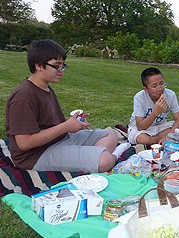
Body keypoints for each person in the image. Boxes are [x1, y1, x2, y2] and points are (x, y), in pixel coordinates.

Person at [6, 39, 130, 173]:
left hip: (59, 140)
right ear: (38, 66)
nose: (61, 70)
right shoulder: (24, 97)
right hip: (36, 155)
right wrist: (66, 126)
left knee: (110, 135)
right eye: (56, 66)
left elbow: (47, 122)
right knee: (104, 160)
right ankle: (110, 156)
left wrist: (72, 121)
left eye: (63, 65)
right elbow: (24, 143)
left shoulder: (45, 87)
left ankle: (90, 157)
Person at [128, 67, 179, 146]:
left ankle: (163, 139)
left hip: (161, 126)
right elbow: (140, 127)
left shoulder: (170, 95)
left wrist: (169, 136)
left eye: (161, 84)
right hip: (142, 129)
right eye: (154, 86)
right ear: (146, 89)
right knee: (143, 139)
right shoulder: (139, 97)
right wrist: (156, 112)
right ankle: (165, 139)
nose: (160, 88)